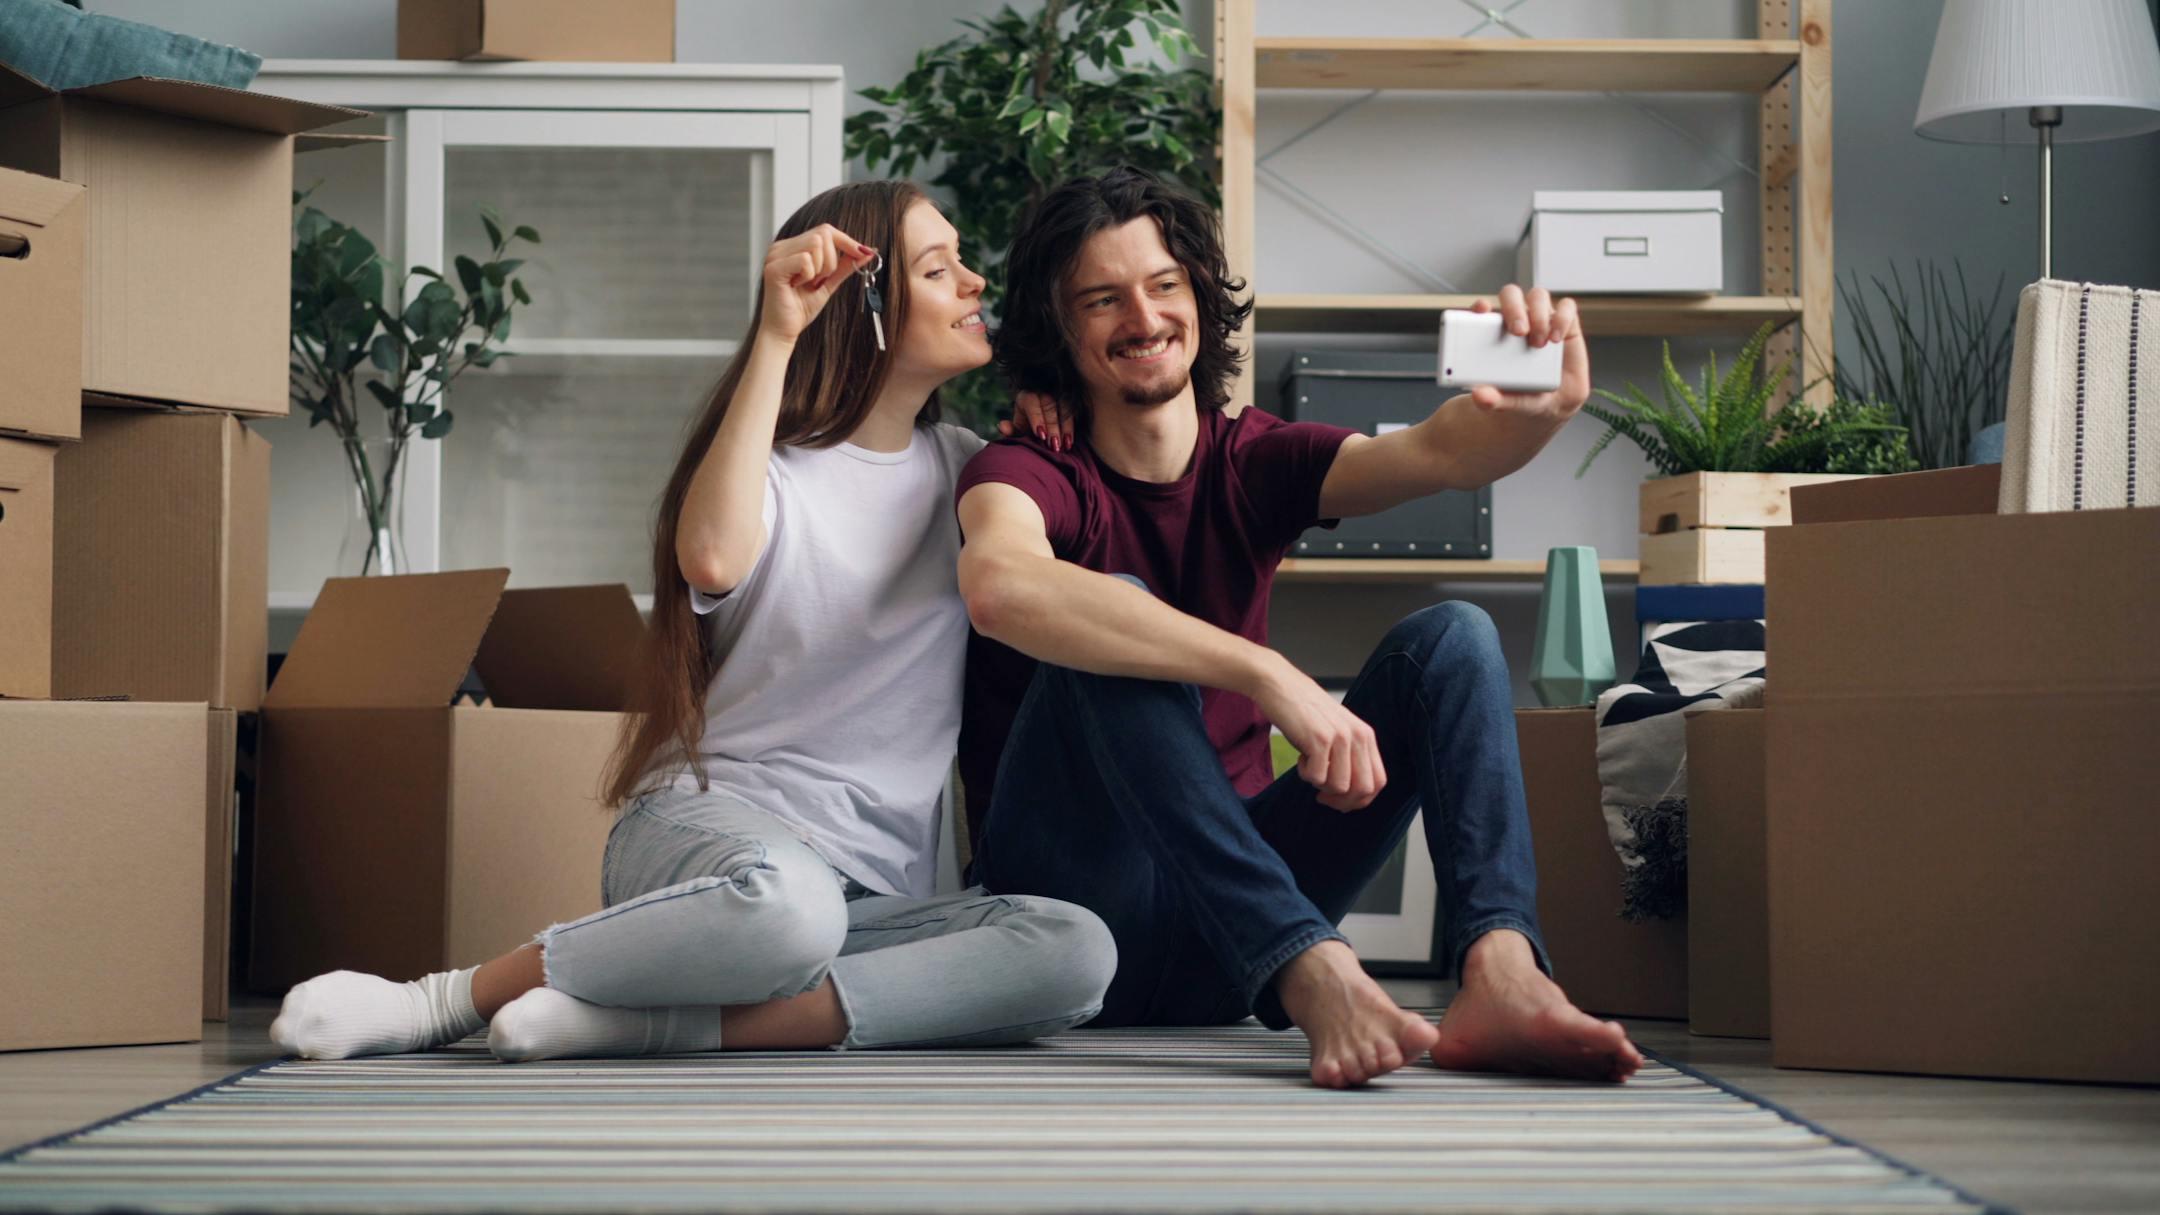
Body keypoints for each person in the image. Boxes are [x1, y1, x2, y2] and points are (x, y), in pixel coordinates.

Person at [269, 180, 1114, 1063]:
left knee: (1073, 949)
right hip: (715, 838)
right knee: (790, 910)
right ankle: (440, 1000)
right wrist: (781, 329)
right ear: (860, 304)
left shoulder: (975, 471)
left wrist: (1054, 410)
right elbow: (711, 557)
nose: (976, 282)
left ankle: (639, 1026)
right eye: (940, 270)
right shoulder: (772, 472)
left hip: (867, 902)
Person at [953, 166, 1645, 1089]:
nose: (1144, 317)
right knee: (1104, 612)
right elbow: (1001, 586)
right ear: (1059, 327)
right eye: (1102, 299)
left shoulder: (1253, 458)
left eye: (1164, 286)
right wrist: (1266, 674)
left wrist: (1535, 414)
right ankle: (1317, 971)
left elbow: (1438, 451)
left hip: (1223, 936)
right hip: (1077, 919)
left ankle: (1503, 971)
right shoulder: (1026, 468)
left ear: (1198, 296)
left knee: (1457, 636)